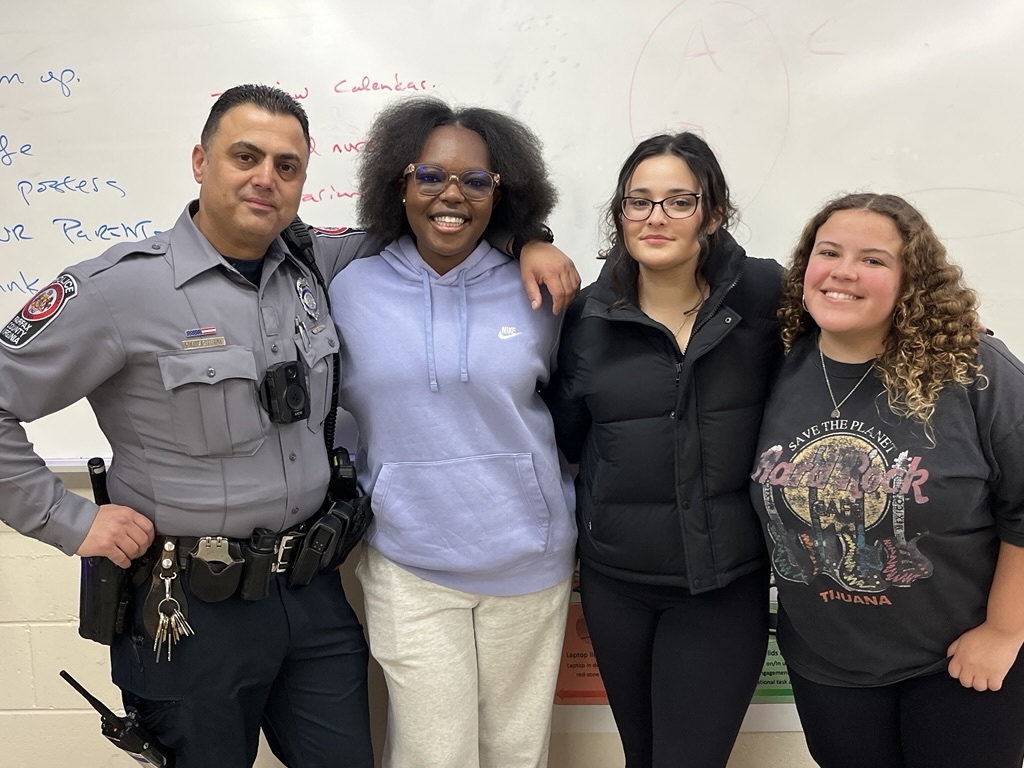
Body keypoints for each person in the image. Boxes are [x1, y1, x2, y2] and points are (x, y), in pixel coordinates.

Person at [0, 84, 578, 768]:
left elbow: (442, 221)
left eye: (287, 165)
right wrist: (69, 522)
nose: (265, 179)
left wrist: (529, 238)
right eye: (245, 156)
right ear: (200, 161)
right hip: (188, 604)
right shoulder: (117, 291)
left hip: (311, 592)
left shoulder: (318, 264)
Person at [328, 96, 577, 768]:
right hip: (408, 561)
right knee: (432, 754)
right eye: (430, 176)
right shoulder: (348, 289)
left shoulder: (542, 291)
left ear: (502, 193)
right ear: (398, 183)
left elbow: (573, 409)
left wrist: (531, 241)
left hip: (530, 561)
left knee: (515, 753)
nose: (452, 195)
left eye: (475, 180)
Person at [749, 193, 1024, 768]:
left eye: (873, 259)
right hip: (827, 666)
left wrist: (1004, 631)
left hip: (956, 660)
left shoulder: (975, 371)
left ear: (912, 280)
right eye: (829, 252)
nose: (844, 271)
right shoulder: (771, 363)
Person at [544, 133, 781, 768]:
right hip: (616, 583)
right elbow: (569, 436)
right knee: (641, 756)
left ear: (713, 213)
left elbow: (849, 333)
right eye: (639, 201)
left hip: (720, 584)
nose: (656, 217)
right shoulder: (586, 318)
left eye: (679, 201)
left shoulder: (764, 295)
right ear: (620, 213)